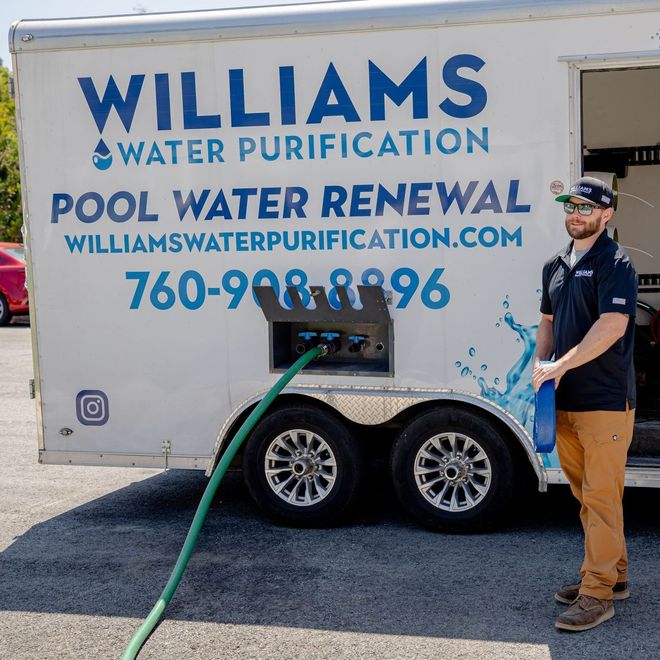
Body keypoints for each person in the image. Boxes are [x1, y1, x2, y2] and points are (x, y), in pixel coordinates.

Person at [532, 176, 637, 632]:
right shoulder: (554, 264)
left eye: (585, 208)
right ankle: (613, 577)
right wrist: (541, 371)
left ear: (606, 214)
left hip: (604, 401)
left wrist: (562, 365)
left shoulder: (617, 263)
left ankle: (597, 595)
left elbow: (612, 326)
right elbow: (547, 323)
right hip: (564, 401)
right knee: (587, 497)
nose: (575, 214)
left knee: (600, 496)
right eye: (570, 207)